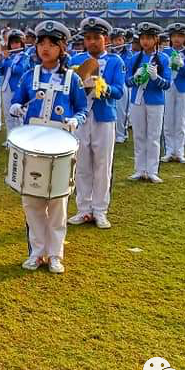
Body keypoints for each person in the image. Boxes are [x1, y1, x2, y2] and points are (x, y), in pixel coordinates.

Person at [9, 21, 88, 274]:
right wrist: (16, 107)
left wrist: (77, 119)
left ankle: (55, 254)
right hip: (32, 144)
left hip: (60, 145)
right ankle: (36, 251)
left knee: (57, 202)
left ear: (62, 48)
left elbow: (82, 107)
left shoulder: (72, 78)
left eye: (52, 44)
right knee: (31, 200)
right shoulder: (28, 76)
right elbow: (17, 99)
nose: (45, 48)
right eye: (41, 43)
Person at [68, 17, 125, 230]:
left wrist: (104, 88)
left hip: (103, 116)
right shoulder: (77, 60)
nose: (92, 42)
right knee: (81, 164)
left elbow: (119, 91)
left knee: (102, 165)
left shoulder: (115, 62)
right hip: (82, 117)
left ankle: (100, 210)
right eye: (88, 38)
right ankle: (83, 209)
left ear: (105, 39)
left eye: (96, 38)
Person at [125, 23, 172, 184]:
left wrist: (156, 78)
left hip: (155, 101)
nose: (145, 42)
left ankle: (152, 170)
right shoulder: (134, 58)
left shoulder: (164, 59)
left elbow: (167, 84)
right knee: (138, 135)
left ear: (156, 39)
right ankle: (139, 169)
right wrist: (135, 77)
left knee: (153, 136)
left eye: (149, 38)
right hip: (137, 100)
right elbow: (127, 83)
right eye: (143, 38)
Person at [161, 23, 185, 164]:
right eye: (174, 36)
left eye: (180, 36)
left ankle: (179, 151)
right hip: (168, 87)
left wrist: (182, 65)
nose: (177, 39)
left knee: (180, 120)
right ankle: (169, 150)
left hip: (182, 87)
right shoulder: (164, 53)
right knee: (168, 119)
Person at [110, 28, 132, 143]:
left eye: (120, 40)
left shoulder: (129, 55)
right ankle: (112, 132)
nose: (117, 43)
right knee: (111, 108)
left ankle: (121, 133)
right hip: (110, 83)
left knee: (122, 110)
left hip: (124, 83)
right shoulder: (109, 54)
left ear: (124, 40)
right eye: (115, 40)